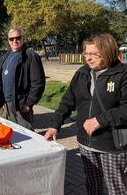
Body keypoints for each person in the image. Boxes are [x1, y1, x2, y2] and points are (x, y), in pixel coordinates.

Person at [44, 34, 127, 194]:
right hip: (85, 142)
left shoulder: (122, 74)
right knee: (92, 185)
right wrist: (55, 125)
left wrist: (101, 120)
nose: (88, 58)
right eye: (86, 53)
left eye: (93, 54)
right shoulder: (82, 73)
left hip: (111, 145)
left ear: (108, 52)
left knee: (116, 189)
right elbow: (67, 101)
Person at [0, 27, 45, 129]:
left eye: (18, 38)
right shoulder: (6, 56)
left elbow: (38, 83)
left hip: (21, 105)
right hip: (7, 105)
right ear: (8, 40)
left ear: (23, 39)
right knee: (9, 135)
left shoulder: (30, 56)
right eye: (11, 39)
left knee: (26, 136)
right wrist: (2, 99)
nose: (15, 41)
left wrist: (29, 104)